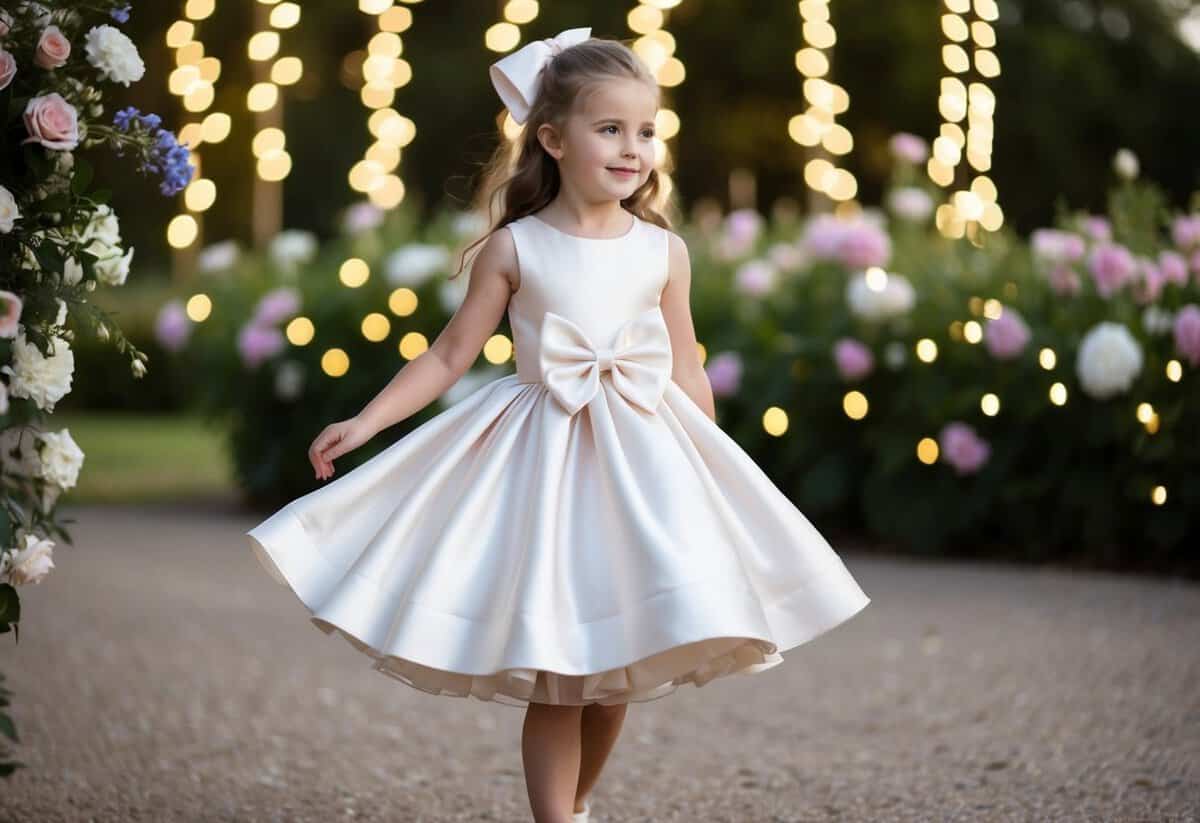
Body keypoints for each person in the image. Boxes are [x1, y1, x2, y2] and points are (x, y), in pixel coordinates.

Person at [246, 26, 871, 823]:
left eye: (645, 131)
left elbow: (685, 367)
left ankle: (573, 810)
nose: (632, 148)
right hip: (546, 467)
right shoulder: (514, 248)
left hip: (643, 466)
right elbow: (445, 357)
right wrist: (367, 421)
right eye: (609, 128)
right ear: (552, 137)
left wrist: (714, 475)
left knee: (620, 672)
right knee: (563, 671)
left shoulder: (664, 251)